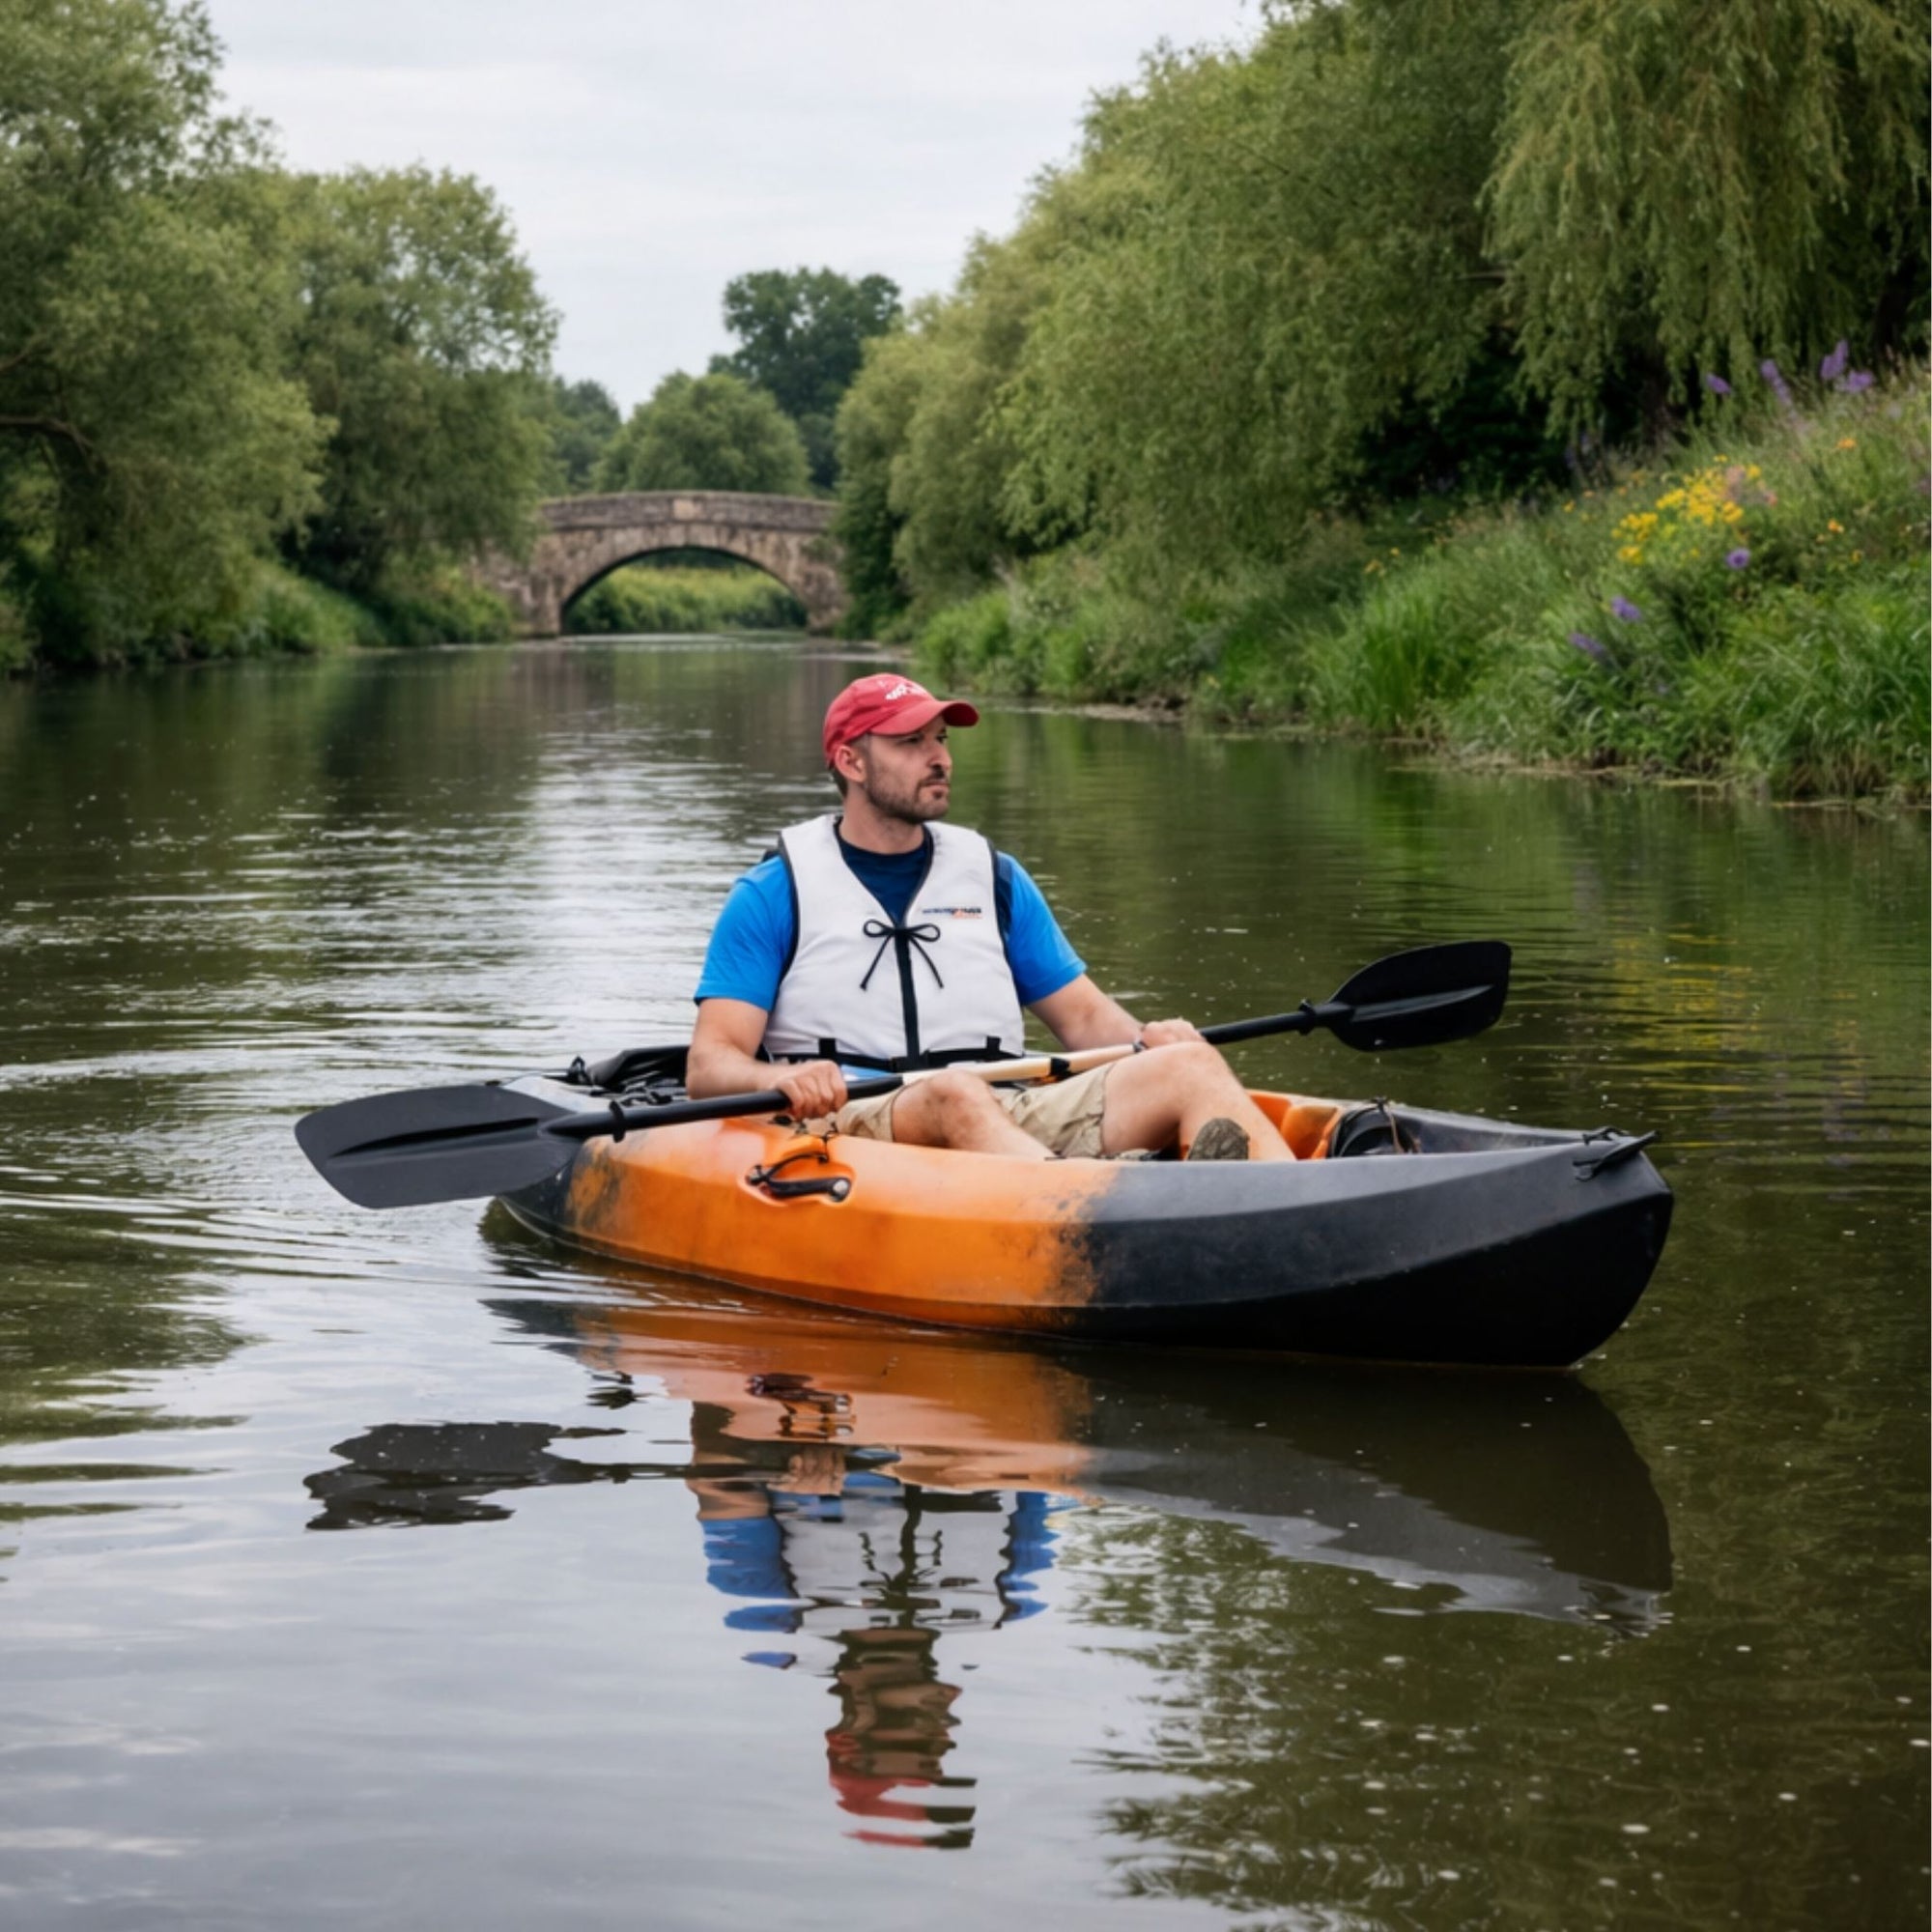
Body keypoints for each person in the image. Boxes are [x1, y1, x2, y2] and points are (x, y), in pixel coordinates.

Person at [686, 671, 1295, 1163]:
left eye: (941, 739)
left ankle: (1290, 1211)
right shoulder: (772, 892)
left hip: (1004, 1107)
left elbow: (1083, 1018)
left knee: (1188, 1064)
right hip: (853, 1120)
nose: (939, 758)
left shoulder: (994, 877)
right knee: (953, 1093)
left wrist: (1149, 1042)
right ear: (851, 761)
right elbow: (710, 1066)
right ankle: (1089, 1206)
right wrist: (782, 1078)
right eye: (911, 742)